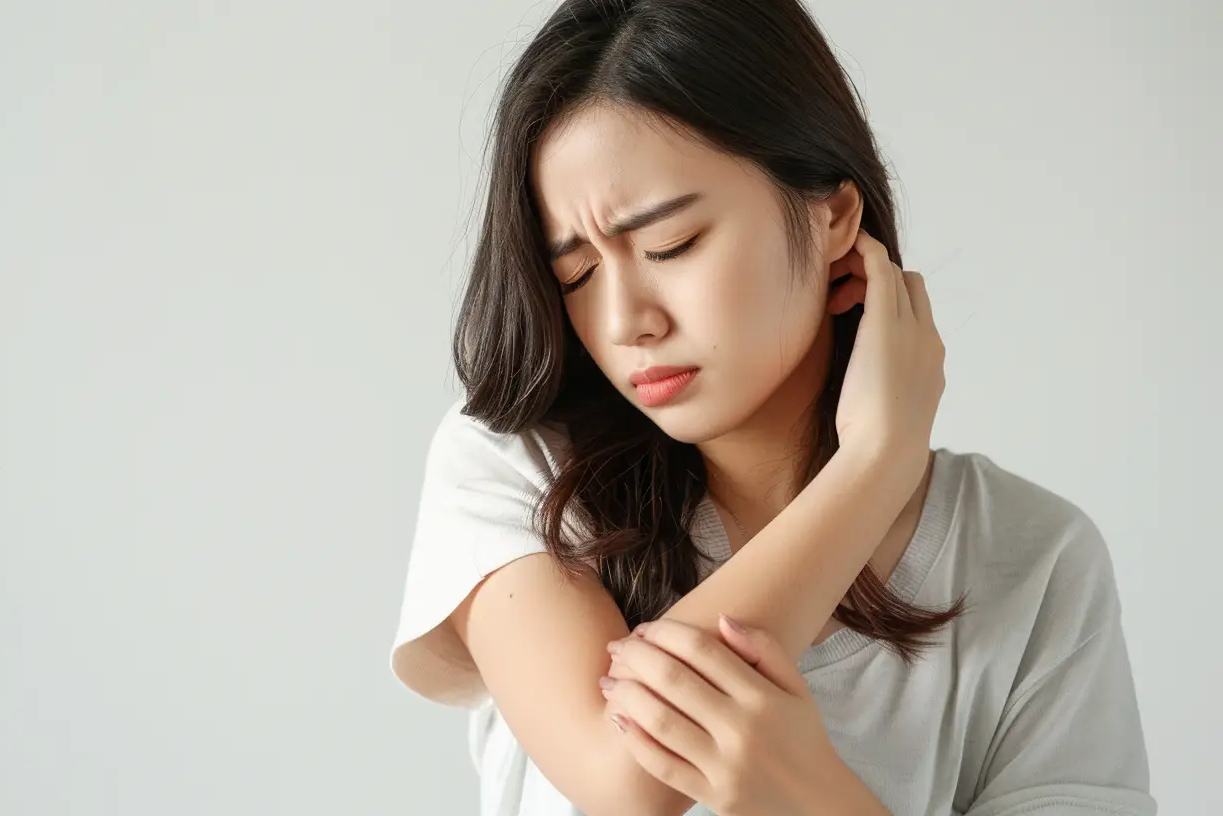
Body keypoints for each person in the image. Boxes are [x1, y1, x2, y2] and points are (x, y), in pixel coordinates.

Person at [388, 1, 1154, 814]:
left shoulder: (1032, 558)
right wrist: (873, 465)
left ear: (831, 215)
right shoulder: (521, 471)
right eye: (576, 274)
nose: (623, 323)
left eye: (669, 246)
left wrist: (809, 796)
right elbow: (625, 780)